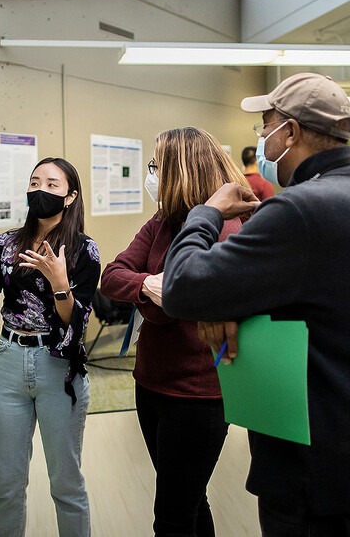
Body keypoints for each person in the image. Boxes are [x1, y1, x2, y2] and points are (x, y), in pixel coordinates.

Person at [161, 73, 350, 537]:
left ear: (292, 132)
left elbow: (181, 286)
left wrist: (207, 211)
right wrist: (229, 302)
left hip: (315, 473)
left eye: (265, 127)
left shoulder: (303, 209)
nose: (262, 139)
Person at [100, 127, 250, 537]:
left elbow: (183, 305)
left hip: (200, 396)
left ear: (180, 170)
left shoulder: (227, 231)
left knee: (171, 516)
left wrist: (163, 293)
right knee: (189, 501)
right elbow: (112, 276)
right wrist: (147, 284)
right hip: (152, 384)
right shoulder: (162, 221)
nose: (151, 174)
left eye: (155, 166)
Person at [0, 157, 100, 537]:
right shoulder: (6, 244)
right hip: (8, 365)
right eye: (35, 182)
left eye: (52, 185)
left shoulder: (83, 251)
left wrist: (58, 281)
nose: (40, 190)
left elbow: (77, 323)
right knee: (6, 486)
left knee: (66, 485)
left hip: (58, 369)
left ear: (70, 197)